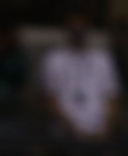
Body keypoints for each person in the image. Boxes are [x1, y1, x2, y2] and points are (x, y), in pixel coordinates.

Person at [40, 12, 120, 141]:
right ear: (67, 28)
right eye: (74, 26)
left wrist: (107, 128)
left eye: (81, 26)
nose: (78, 30)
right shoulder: (54, 59)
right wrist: (72, 129)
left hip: (98, 130)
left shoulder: (102, 59)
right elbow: (50, 99)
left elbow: (112, 98)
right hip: (65, 131)